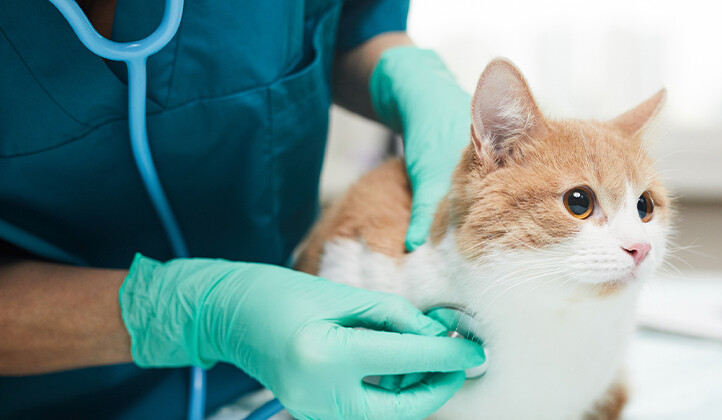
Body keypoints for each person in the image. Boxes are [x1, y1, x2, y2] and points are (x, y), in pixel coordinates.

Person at [0, 0, 484, 419]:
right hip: (53, 394)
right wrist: (199, 314)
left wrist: (407, 74)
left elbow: (349, 24)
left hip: (286, 371)